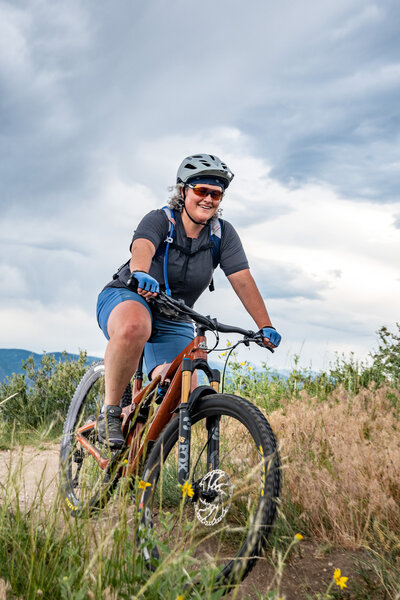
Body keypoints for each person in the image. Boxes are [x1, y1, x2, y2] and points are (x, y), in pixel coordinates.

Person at [96, 153, 281, 448]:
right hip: (129, 296)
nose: (208, 198)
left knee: (186, 388)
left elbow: (242, 279)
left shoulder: (222, 235)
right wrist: (141, 272)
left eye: (216, 194)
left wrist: (265, 325)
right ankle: (111, 411)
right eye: (200, 190)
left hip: (174, 316)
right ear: (183, 192)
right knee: (135, 326)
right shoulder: (161, 220)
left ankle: (144, 463)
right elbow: (142, 246)